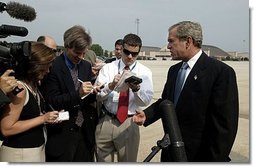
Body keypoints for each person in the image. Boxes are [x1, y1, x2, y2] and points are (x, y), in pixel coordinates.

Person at [133, 21, 239, 162]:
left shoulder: (220, 72)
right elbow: (167, 101)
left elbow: (224, 128)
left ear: (188, 41)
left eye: (171, 41)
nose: (168, 46)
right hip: (171, 153)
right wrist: (147, 115)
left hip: (198, 156)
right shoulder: (174, 70)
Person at [41, 25, 100, 162]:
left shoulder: (85, 66)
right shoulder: (53, 66)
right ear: (67, 46)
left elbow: (83, 100)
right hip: (62, 133)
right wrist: (78, 93)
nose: (80, 57)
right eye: (77, 53)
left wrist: (93, 91)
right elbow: (52, 100)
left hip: (84, 132)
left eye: (84, 53)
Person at [95, 33, 154, 162]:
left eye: (134, 54)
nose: (130, 56)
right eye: (127, 52)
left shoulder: (145, 73)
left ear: (139, 52)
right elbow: (98, 96)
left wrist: (136, 89)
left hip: (129, 122)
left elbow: (146, 101)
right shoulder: (108, 68)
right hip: (107, 120)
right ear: (121, 49)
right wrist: (111, 85)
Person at [0, 42, 60, 162]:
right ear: (35, 66)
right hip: (20, 154)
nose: (48, 71)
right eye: (46, 67)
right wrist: (42, 119)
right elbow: (7, 128)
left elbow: (28, 116)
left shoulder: (34, 86)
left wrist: (47, 117)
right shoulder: (20, 89)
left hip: (33, 150)